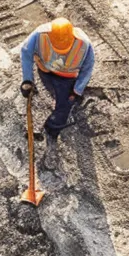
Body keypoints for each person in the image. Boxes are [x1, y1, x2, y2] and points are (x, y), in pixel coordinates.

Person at [20, 18, 96, 169]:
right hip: (46, 70)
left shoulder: (84, 43)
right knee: (50, 91)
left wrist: (77, 90)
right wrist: (27, 80)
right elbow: (26, 53)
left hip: (67, 78)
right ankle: (53, 100)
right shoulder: (39, 35)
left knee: (65, 105)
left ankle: (53, 129)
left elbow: (88, 67)